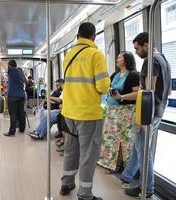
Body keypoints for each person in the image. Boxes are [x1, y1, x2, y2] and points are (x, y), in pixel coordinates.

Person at [60, 22, 110, 200]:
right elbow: (103, 86)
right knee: (88, 154)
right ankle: (85, 194)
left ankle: (66, 183)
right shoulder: (95, 55)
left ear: (77, 36)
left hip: (69, 112)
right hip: (88, 114)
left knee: (71, 149)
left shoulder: (68, 55)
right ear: (93, 36)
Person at [119, 32, 171, 198]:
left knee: (143, 150)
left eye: (137, 48)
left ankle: (147, 188)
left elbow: (148, 91)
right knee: (138, 146)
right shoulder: (163, 59)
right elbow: (168, 90)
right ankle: (127, 176)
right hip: (159, 109)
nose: (136, 52)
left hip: (148, 112)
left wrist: (144, 118)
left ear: (146, 45)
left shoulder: (150, 61)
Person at [98, 51, 140, 174]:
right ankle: (110, 163)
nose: (117, 60)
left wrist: (121, 97)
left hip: (125, 112)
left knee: (123, 139)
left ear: (126, 60)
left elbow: (137, 94)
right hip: (112, 110)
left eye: (119, 58)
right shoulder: (115, 74)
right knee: (110, 138)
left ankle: (120, 166)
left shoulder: (133, 75)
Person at [0, 59, 26, 136]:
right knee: (21, 113)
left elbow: (3, 65)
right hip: (21, 95)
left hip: (14, 96)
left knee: (13, 114)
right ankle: (22, 128)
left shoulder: (13, 71)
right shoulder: (20, 72)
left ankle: (12, 131)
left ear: (10, 66)